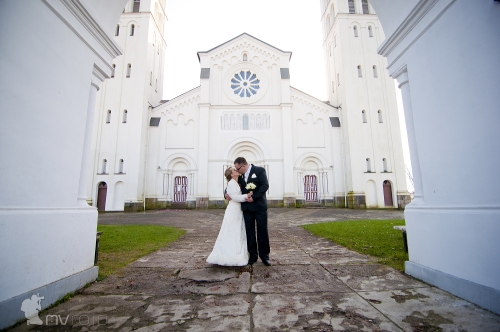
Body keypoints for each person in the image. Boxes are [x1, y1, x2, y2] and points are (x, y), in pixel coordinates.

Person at [226, 157, 271, 266]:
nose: (236, 170)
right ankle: (253, 255)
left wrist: (254, 197)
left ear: (243, 166)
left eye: (237, 168)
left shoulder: (259, 170)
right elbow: (231, 184)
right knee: (249, 232)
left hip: (259, 207)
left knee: (262, 231)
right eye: (235, 169)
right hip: (247, 208)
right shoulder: (239, 175)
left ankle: (265, 256)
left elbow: (265, 185)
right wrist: (225, 194)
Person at [206, 167, 252, 266]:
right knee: (231, 230)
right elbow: (234, 197)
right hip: (234, 209)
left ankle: (237, 252)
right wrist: (247, 196)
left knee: (237, 230)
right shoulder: (231, 183)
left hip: (238, 209)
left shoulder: (237, 181)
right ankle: (230, 254)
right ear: (231, 174)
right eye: (234, 170)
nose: (236, 170)